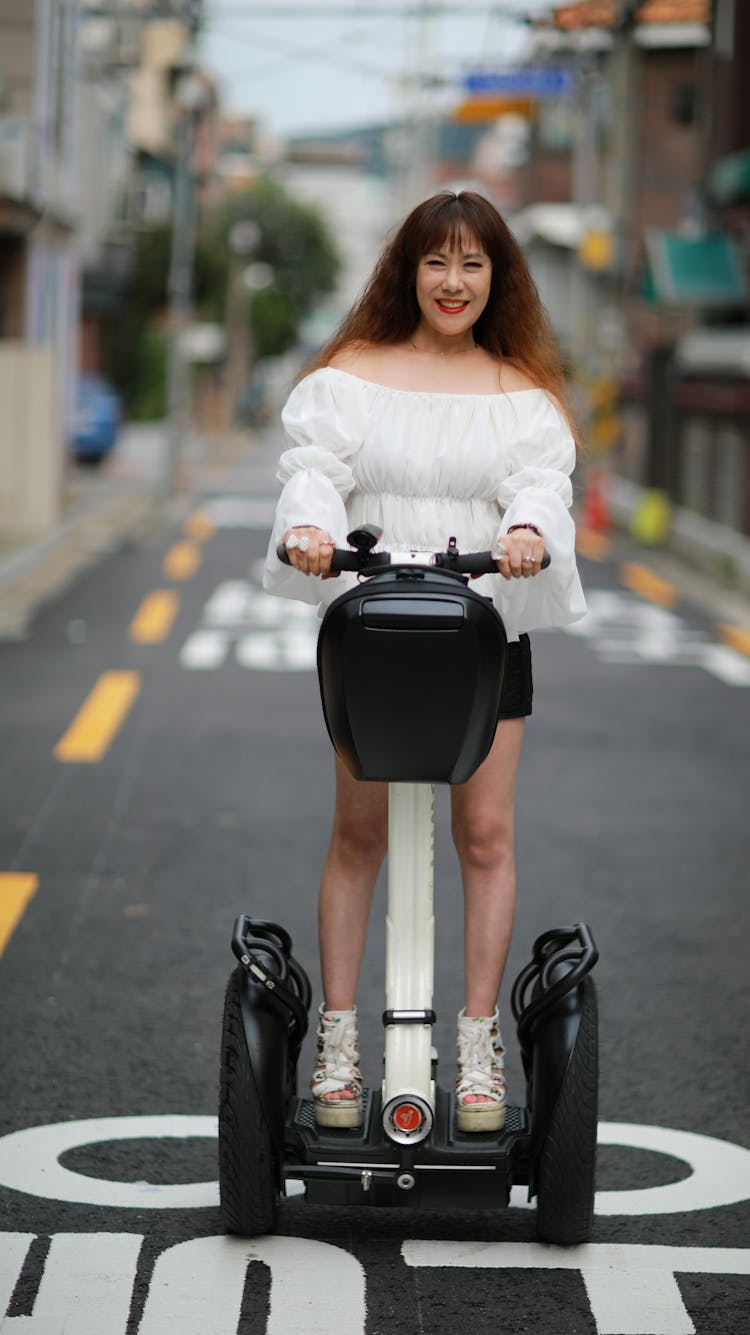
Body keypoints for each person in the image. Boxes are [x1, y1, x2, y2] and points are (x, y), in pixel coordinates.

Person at [263, 190, 586, 1133]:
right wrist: (312, 528)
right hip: (377, 631)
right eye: (436, 262)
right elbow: (312, 469)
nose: (453, 282)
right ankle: (337, 1042)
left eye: (473, 265)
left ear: (497, 278)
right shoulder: (351, 375)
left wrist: (528, 528)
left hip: (483, 633)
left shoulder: (518, 392)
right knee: (359, 835)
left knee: (484, 837)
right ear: (408, 268)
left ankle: (479, 1048)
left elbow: (540, 484)